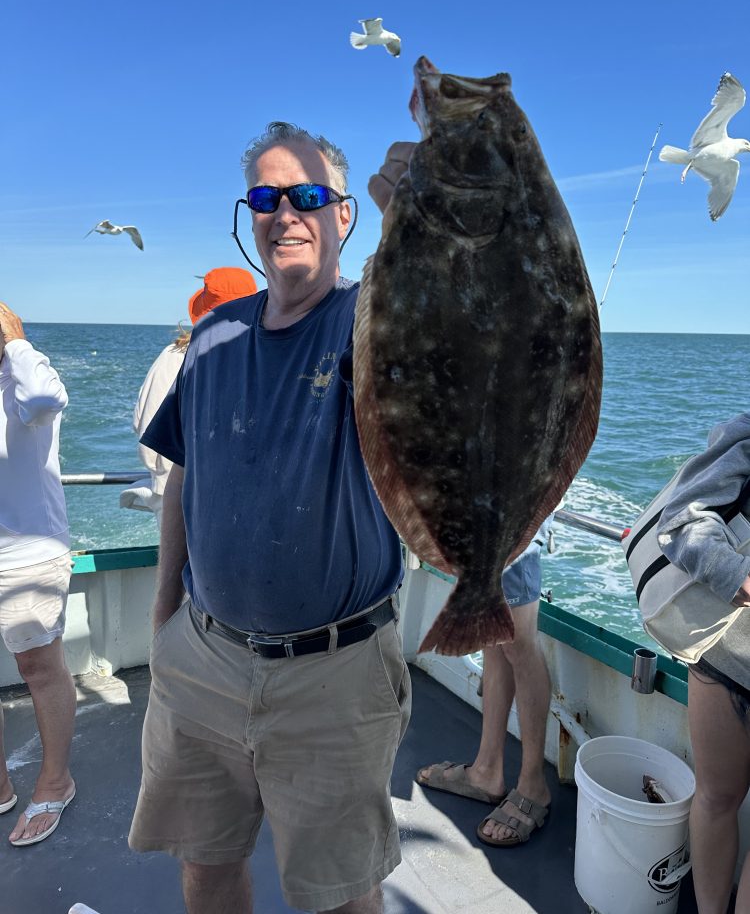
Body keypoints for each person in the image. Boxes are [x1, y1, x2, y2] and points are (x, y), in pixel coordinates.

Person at [128, 123, 413, 914]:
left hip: (336, 674)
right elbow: (186, 474)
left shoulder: (372, 323)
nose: (285, 212)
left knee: (340, 894)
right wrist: (164, 617)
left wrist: (417, 215)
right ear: (248, 215)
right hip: (201, 657)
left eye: (308, 196)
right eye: (266, 197)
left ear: (345, 217)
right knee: (204, 862)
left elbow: (449, 321)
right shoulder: (213, 335)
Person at [657, 413, 750, 914]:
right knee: (715, 799)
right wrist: (739, 575)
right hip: (725, 651)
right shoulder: (747, 431)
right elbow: (682, 521)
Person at [416, 518, 554, 847]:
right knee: (494, 634)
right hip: (480, 516)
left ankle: (533, 784)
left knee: (519, 642)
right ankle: (486, 770)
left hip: (512, 516)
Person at [0, 301, 77, 846]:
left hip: (29, 552)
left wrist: (16, 341)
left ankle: (56, 781)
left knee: (38, 668)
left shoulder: (27, 375)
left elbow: (50, 399)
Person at [120, 267, 257, 528]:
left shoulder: (174, 358)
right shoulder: (255, 357)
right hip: (238, 497)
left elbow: (148, 434)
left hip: (180, 496)